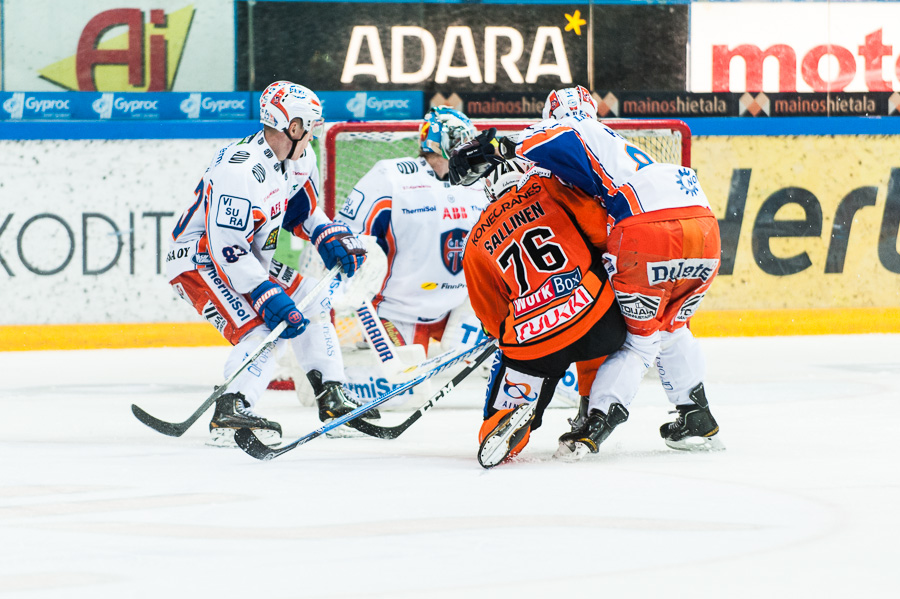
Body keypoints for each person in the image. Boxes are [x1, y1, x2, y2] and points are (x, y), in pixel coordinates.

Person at [451, 85, 723, 460]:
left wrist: (498, 147)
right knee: (669, 324)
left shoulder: (569, 142)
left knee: (639, 340)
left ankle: (592, 424)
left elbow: (563, 137)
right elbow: (595, 228)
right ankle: (697, 416)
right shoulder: (609, 147)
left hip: (646, 226)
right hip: (702, 219)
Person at [165, 80, 374, 447]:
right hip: (198, 257)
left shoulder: (298, 158)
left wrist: (328, 235)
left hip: (251, 254)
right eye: (309, 127)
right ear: (292, 127)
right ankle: (232, 409)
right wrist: (265, 295)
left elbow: (305, 212)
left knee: (313, 300)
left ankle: (331, 399)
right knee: (265, 327)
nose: (313, 134)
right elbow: (226, 246)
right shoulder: (239, 170)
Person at [461, 159, 627, 468]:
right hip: (601, 323)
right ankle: (591, 408)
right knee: (596, 319)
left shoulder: (476, 241)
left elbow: (492, 317)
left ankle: (511, 419)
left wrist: (510, 332)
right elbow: (601, 233)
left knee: (517, 370)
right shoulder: (549, 188)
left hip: (537, 344)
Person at [335, 106, 488, 361]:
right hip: (397, 311)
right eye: (461, 138)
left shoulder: (478, 183)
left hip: (458, 307)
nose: (468, 147)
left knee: (514, 357)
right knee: (401, 395)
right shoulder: (392, 177)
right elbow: (348, 233)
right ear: (439, 140)